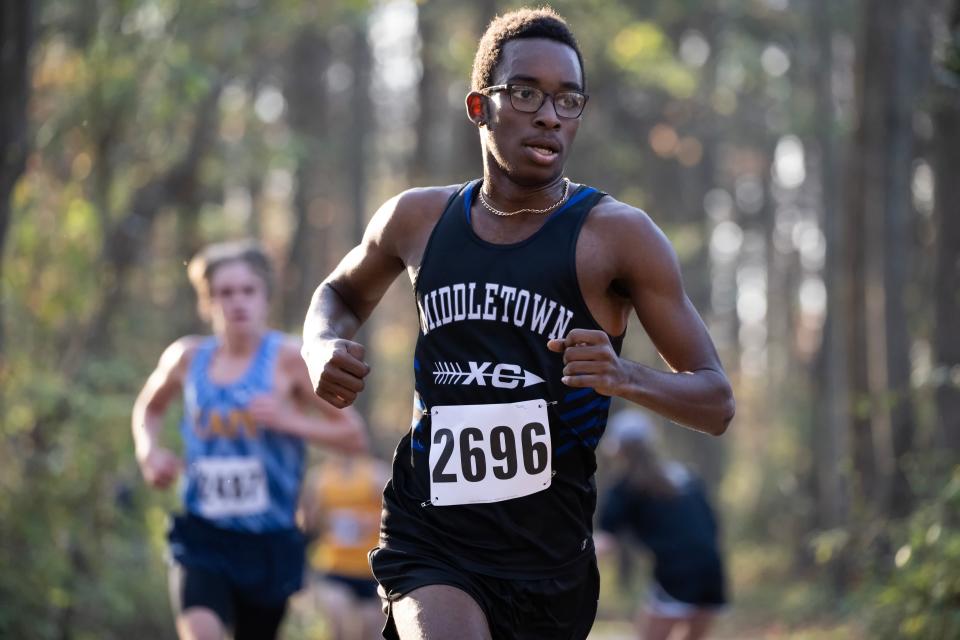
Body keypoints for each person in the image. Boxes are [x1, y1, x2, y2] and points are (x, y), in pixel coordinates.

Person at [301, 7, 735, 640]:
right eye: (527, 92)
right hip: (432, 533)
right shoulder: (418, 220)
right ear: (481, 107)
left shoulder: (616, 236)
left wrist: (625, 375)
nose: (550, 115)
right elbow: (337, 293)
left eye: (569, 100)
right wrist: (319, 346)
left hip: (548, 560)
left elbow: (716, 400)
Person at [132, 239, 367, 640]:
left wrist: (290, 421)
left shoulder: (290, 359)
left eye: (247, 291)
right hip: (203, 534)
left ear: (265, 298)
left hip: (269, 543)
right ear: (207, 303)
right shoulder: (187, 358)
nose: (237, 302)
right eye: (224, 293)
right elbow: (149, 409)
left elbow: (352, 435)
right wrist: (149, 452)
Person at [595, 409, 728, 640]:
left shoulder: (625, 488)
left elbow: (605, 542)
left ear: (618, 450)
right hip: (713, 570)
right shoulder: (685, 475)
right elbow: (712, 525)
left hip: (676, 574)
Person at [300, 453, 391, 640]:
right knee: (338, 619)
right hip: (334, 567)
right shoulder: (318, 478)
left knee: (368, 631)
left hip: (369, 570)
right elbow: (308, 523)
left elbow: (396, 514)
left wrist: (370, 522)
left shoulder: (376, 474)